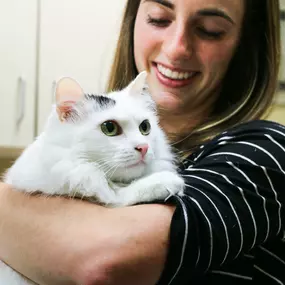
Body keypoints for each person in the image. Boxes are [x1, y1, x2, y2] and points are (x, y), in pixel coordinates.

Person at [0, 0, 284, 284]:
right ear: (133, 20)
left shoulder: (267, 148)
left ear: (246, 44)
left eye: (210, 30)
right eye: (159, 19)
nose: (176, 48)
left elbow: (103, 264)